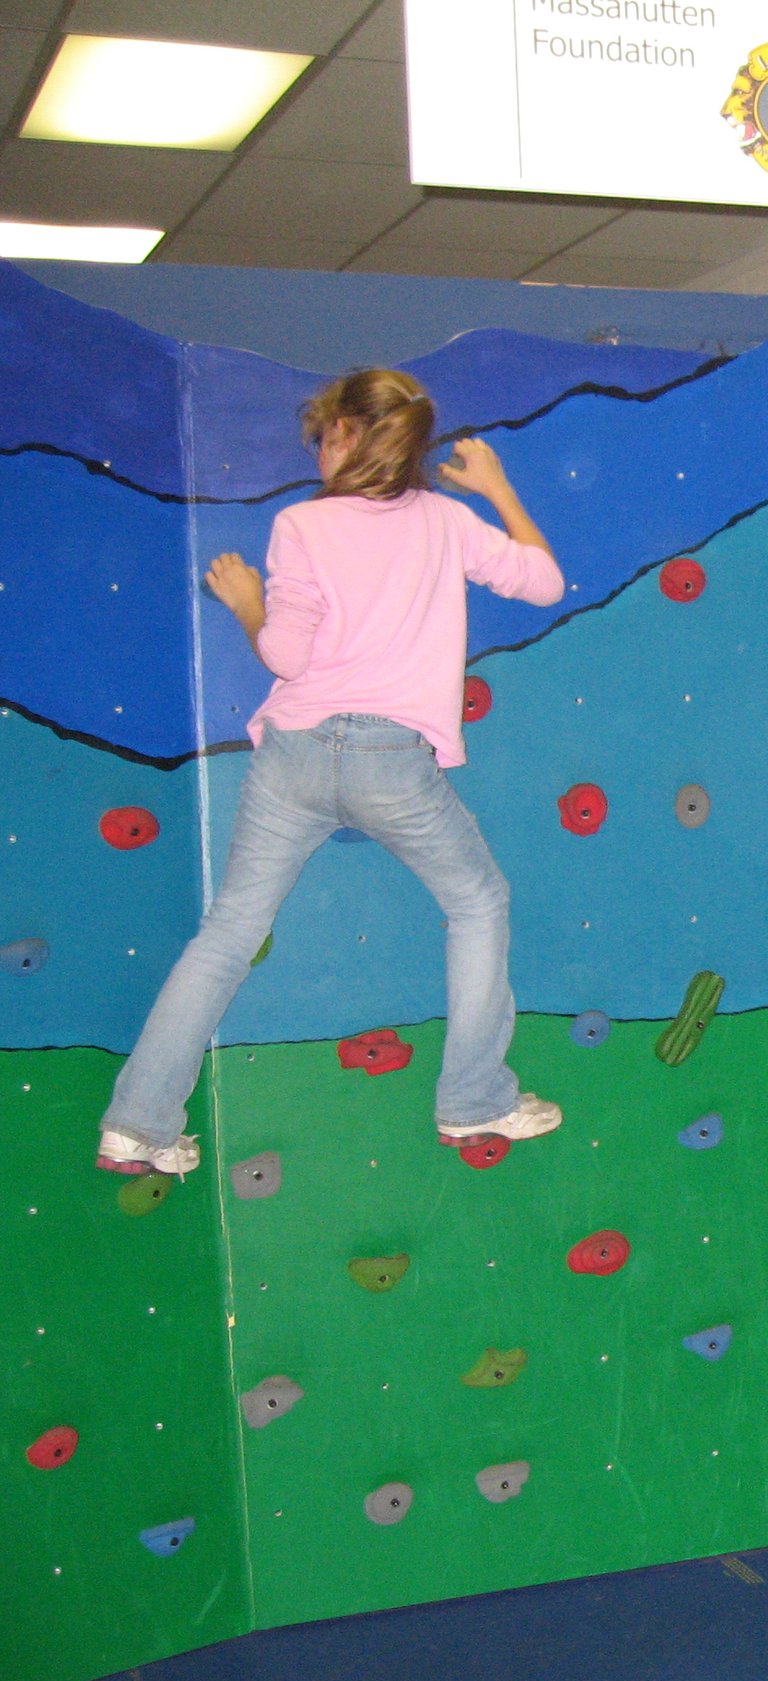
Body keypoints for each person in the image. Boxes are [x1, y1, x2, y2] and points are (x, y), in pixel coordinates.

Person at [97, 369, 566, 1178]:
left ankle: (136, 1125)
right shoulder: (449, 521)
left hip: (294, 755)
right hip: (390, 759)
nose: (319, 447)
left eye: (324, 433)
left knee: (228, 934)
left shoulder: (301, 526)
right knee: (478, 903)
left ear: (351, 434)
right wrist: (496, 487)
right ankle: (474, 1097)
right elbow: (545, 580)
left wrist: (248, 599)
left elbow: (285, 655)